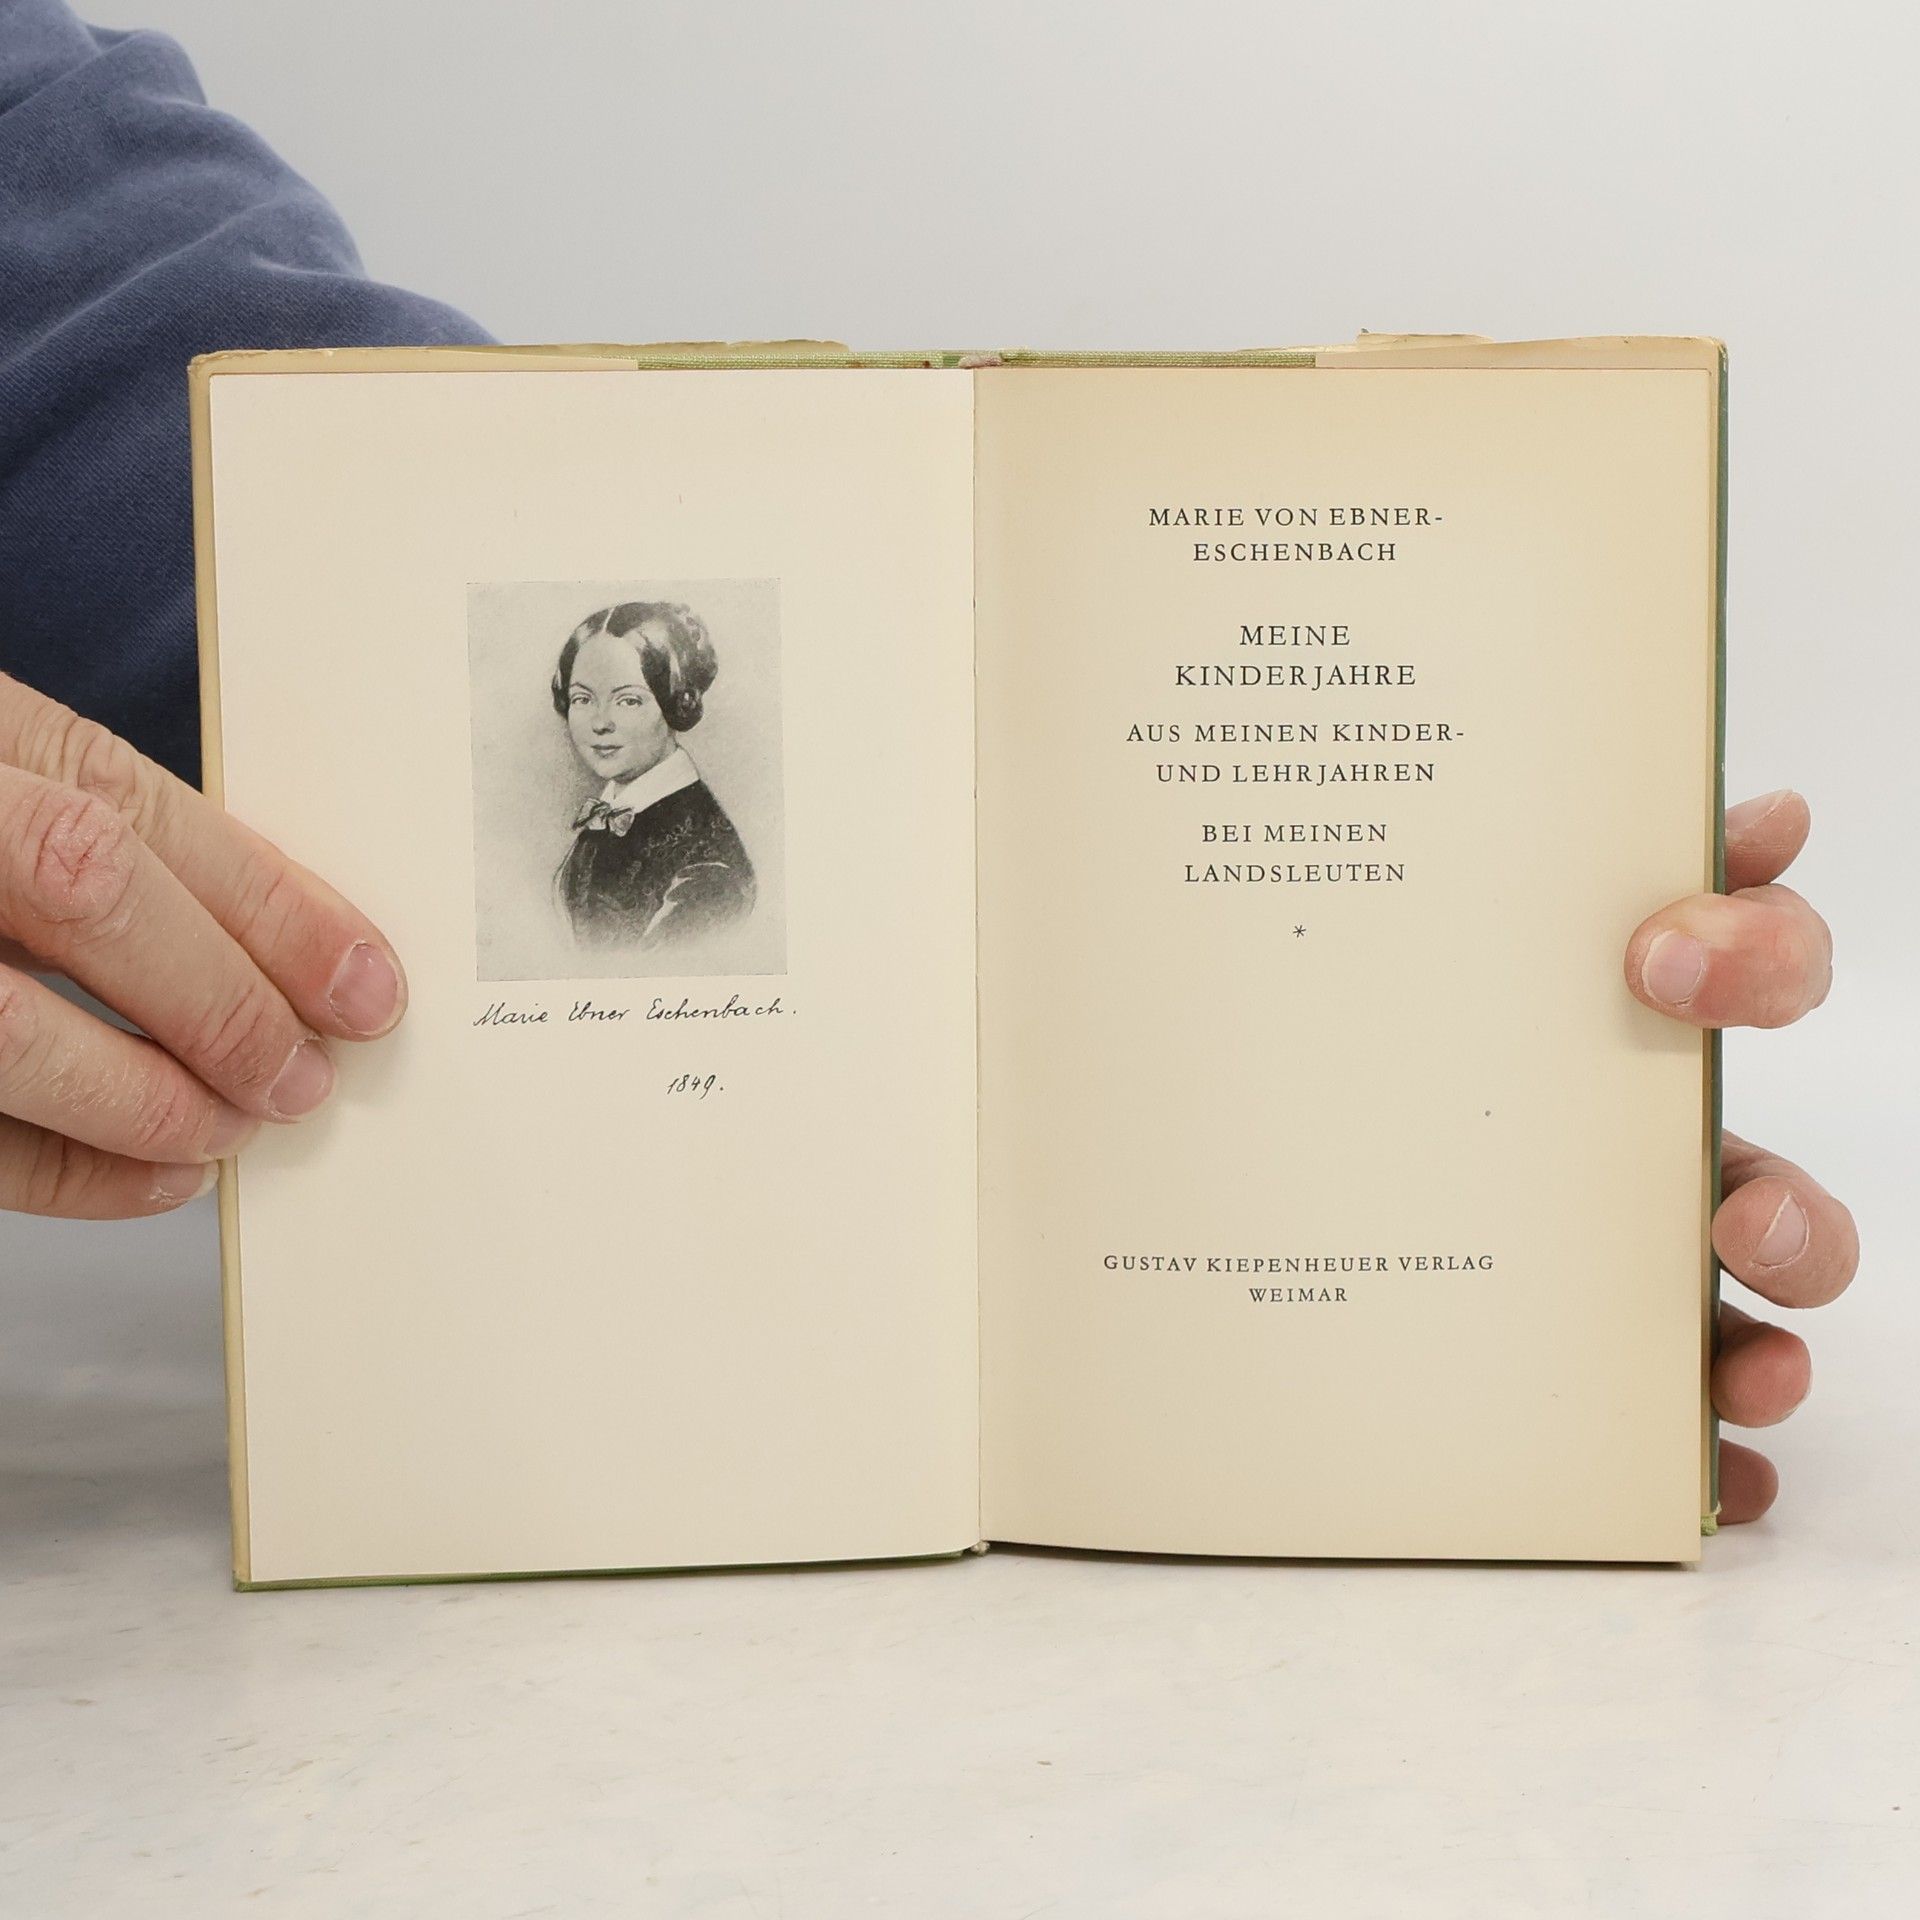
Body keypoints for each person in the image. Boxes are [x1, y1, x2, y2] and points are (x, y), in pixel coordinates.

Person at [0, 1, 1857, 1527]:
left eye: (622, 696)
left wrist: (1504, 1055)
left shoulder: (688, 852)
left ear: (679, 714)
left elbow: (156, 395)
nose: (591, 725)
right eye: (577, 699)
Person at [550, 601, 756, 952]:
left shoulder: (707, 868)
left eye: (628, 701)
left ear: (675, 703)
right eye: (583, 699)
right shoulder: (606, 818)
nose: (600, 722)